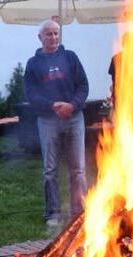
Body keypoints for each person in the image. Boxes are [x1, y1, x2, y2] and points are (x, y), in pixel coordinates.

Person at [24, 19, 89, 230]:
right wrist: (52, 105)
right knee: (50, 169)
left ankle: (79, 212)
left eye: (55, 33)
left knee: (78, 169)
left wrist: (72, 105)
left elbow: (83, 86)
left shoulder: (70, 57)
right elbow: (31, 94)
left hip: (74, 118)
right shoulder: (33, 64)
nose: (53, 37)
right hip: (48, 120)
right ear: (40, 37)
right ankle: (53, 212)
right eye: (48, 34)